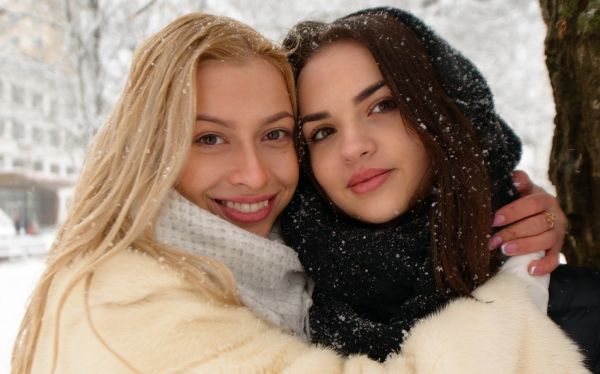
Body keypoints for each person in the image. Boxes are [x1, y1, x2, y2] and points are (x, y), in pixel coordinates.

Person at [12, 11, 585, 374]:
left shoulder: (283, 259)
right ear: (152, 149)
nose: (255, 176)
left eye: (276, 135)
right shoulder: (125, 305)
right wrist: (518, 293)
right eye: (209, 137)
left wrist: (504, 214)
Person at [280, 6, 595, 370]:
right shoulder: (270, 318)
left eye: (383, 105)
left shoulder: (582, 316)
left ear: (441, 110)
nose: (353, 148)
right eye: (322, 132)